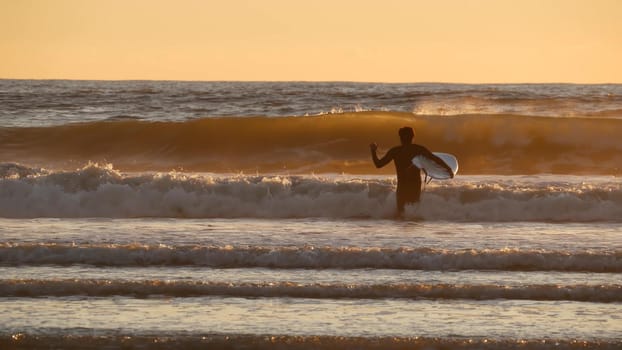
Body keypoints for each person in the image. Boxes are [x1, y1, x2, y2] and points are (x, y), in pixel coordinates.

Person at [370, 126, 452, 215]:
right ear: (413, 136)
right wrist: (448, 169)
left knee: (400, 213)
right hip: (415, 186)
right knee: (412, 213)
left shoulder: (395, 151)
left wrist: (373, 151)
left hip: (402, 186)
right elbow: (435, 159)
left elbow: (378, 164)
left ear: (400, 137)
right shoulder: (418, 149)